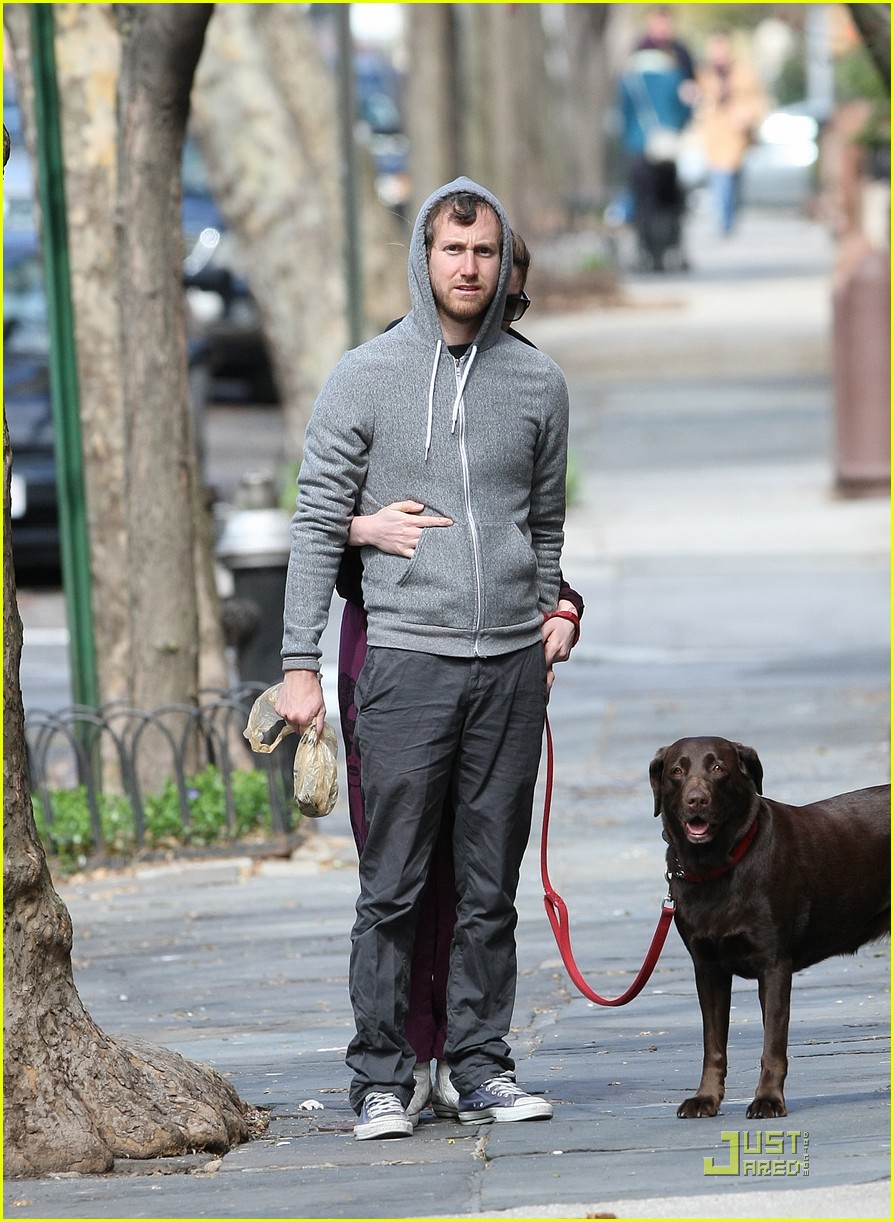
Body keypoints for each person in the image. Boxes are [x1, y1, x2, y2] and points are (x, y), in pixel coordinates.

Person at [276, 178, 570, 1140]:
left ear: (502, 262)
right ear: (425, 257)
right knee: (393, 881)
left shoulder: (538, 383)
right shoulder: (363, 376)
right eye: (453, 250)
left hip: (509, 671)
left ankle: (482, 1064)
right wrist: (299, 663)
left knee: (490, 886)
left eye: (485, 251)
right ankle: (380, 1077)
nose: (470, 267)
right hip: (405, 661)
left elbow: (545, 524)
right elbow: (318, 524)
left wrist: (549, 610)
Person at [617, 44, 693, 271]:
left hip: (637, 148)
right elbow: (684, 112)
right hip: (665, 148)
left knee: (644, 203)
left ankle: (647, 253)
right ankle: (671, 249)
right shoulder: (673, 75)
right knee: (669, 202)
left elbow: (623, 113)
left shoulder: (629, 79)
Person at [695, 32, 767, 235]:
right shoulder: (704, 74)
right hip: (714, 133)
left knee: (730, 175)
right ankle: (725, 217)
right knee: (721, 175)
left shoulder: (743, 72)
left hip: (736, 132)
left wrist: (747, 116)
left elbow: (758, 100)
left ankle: (728, 215)